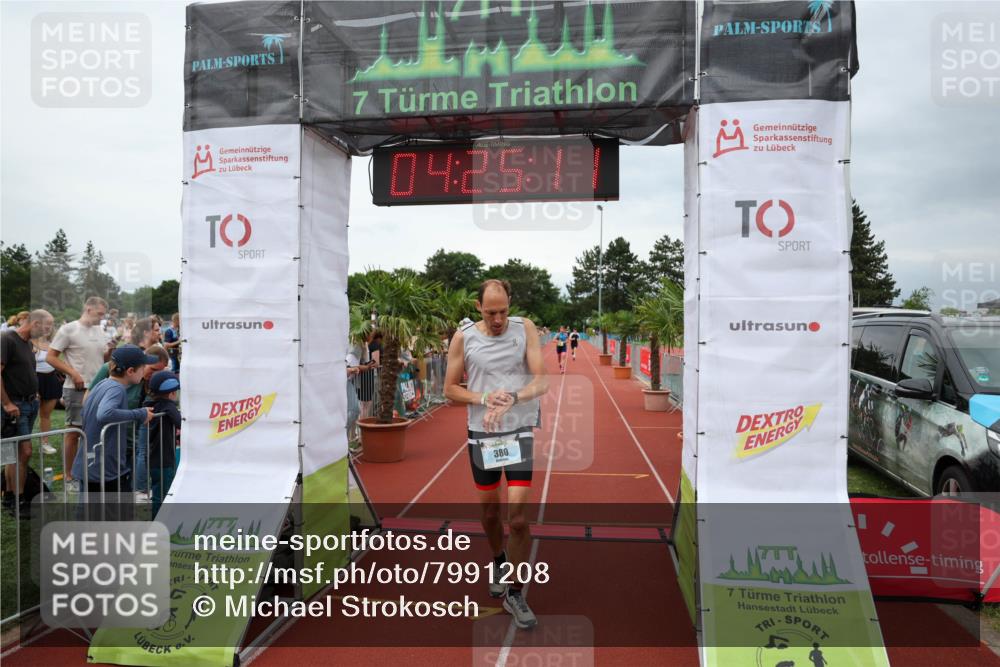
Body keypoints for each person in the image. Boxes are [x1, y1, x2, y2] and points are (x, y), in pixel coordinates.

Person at [444, 278, 548, 630]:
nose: (499, 318)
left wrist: (513, 398)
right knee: (490, 514)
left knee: (518, 519)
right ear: (478, 308)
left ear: (510, 305)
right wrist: (485, 398)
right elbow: (449, 390)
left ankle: (515, 593)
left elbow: (542, 381)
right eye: (491, 312)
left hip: (518, 429)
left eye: (503, 311)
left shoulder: (525, 329)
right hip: (482, 436)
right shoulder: (464, 337)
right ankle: (499, 559)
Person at [72, 345, 156, 498]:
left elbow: (86, 411)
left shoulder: (101, 384)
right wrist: (140, 413)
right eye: (142, 368)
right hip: (104, 467)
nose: (144, 371)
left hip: (91, 462)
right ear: (130, 371)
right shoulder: (116, 389)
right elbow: (105, 414)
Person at [47, 297, 111, 483]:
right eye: (100, 313)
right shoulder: (69, 329)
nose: (102, 317)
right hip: (77, 388)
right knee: (74, 432)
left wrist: (110, 351)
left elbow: (102, 357)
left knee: (94, 431)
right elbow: (51, 357)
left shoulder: (99, 330)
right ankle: (69, 475)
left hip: (98, 387)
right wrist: (73, 373)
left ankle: (87, 470)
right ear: (88, 309)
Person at [90, 345, 168, 496]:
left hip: (131, 440)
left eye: (161, 370)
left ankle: (136, 492)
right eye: (152, 369)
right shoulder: (113, 378)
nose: (156, 374)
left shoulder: (150, 382)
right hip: (109, 442)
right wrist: (137, 413)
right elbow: (93, 403)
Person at [1, 310, 53, 514]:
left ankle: (10, 497)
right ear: (35, 323)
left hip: (29, 403)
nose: (47, 331)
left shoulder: (27, 343)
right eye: (46, 327)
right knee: (23, 452)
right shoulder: (7, 339)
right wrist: (6, 403)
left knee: (16, 454)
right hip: (15, 405)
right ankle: (19, 500)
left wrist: (36, 393)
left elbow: (28, 372)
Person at [144, 370, 181, 514]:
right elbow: (180, 422)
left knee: (158, 493)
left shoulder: (150, 404)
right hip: (164, 459)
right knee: (163, 495)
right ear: (171, 393)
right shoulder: (168, 406)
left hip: (153, 457)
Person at [32, 314, 59, 455]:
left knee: (46, 414)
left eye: (50, 324)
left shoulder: (55, 343)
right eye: (45, 324)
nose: (48, 327)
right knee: (29, 414)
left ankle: (45, 443)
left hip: (50, 379)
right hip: (33, 380)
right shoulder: (29, 342)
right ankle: (24, 443)